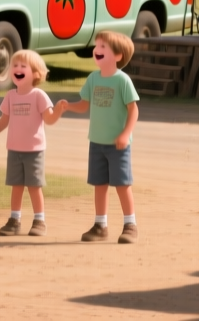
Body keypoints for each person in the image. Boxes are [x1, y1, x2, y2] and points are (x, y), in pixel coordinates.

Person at [53, 30, 140, 244]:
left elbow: (133, 110)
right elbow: (84, 105)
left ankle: (130, 224)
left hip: (118, 145)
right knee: (99, 184)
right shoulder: (93, 79)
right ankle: (100, 225)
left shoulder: (122, 81)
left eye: (103, 47)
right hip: (97, 142)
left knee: (122, 184)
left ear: (118, 56)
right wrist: (68, 106)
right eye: (97, 46)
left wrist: (125, 133)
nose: (97, 50)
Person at [0, 50, 62, 237]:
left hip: (34, 150)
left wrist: (58, 110)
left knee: (34, 186)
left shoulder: (39, 95)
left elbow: (49, 119)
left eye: (23, 66)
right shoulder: (11, 96)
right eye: (15, 66)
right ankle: (14, 220)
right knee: (16, 186)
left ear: (36, 73)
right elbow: (4, 120)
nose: (17, 69)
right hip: (14, 149)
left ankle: (39, 220)